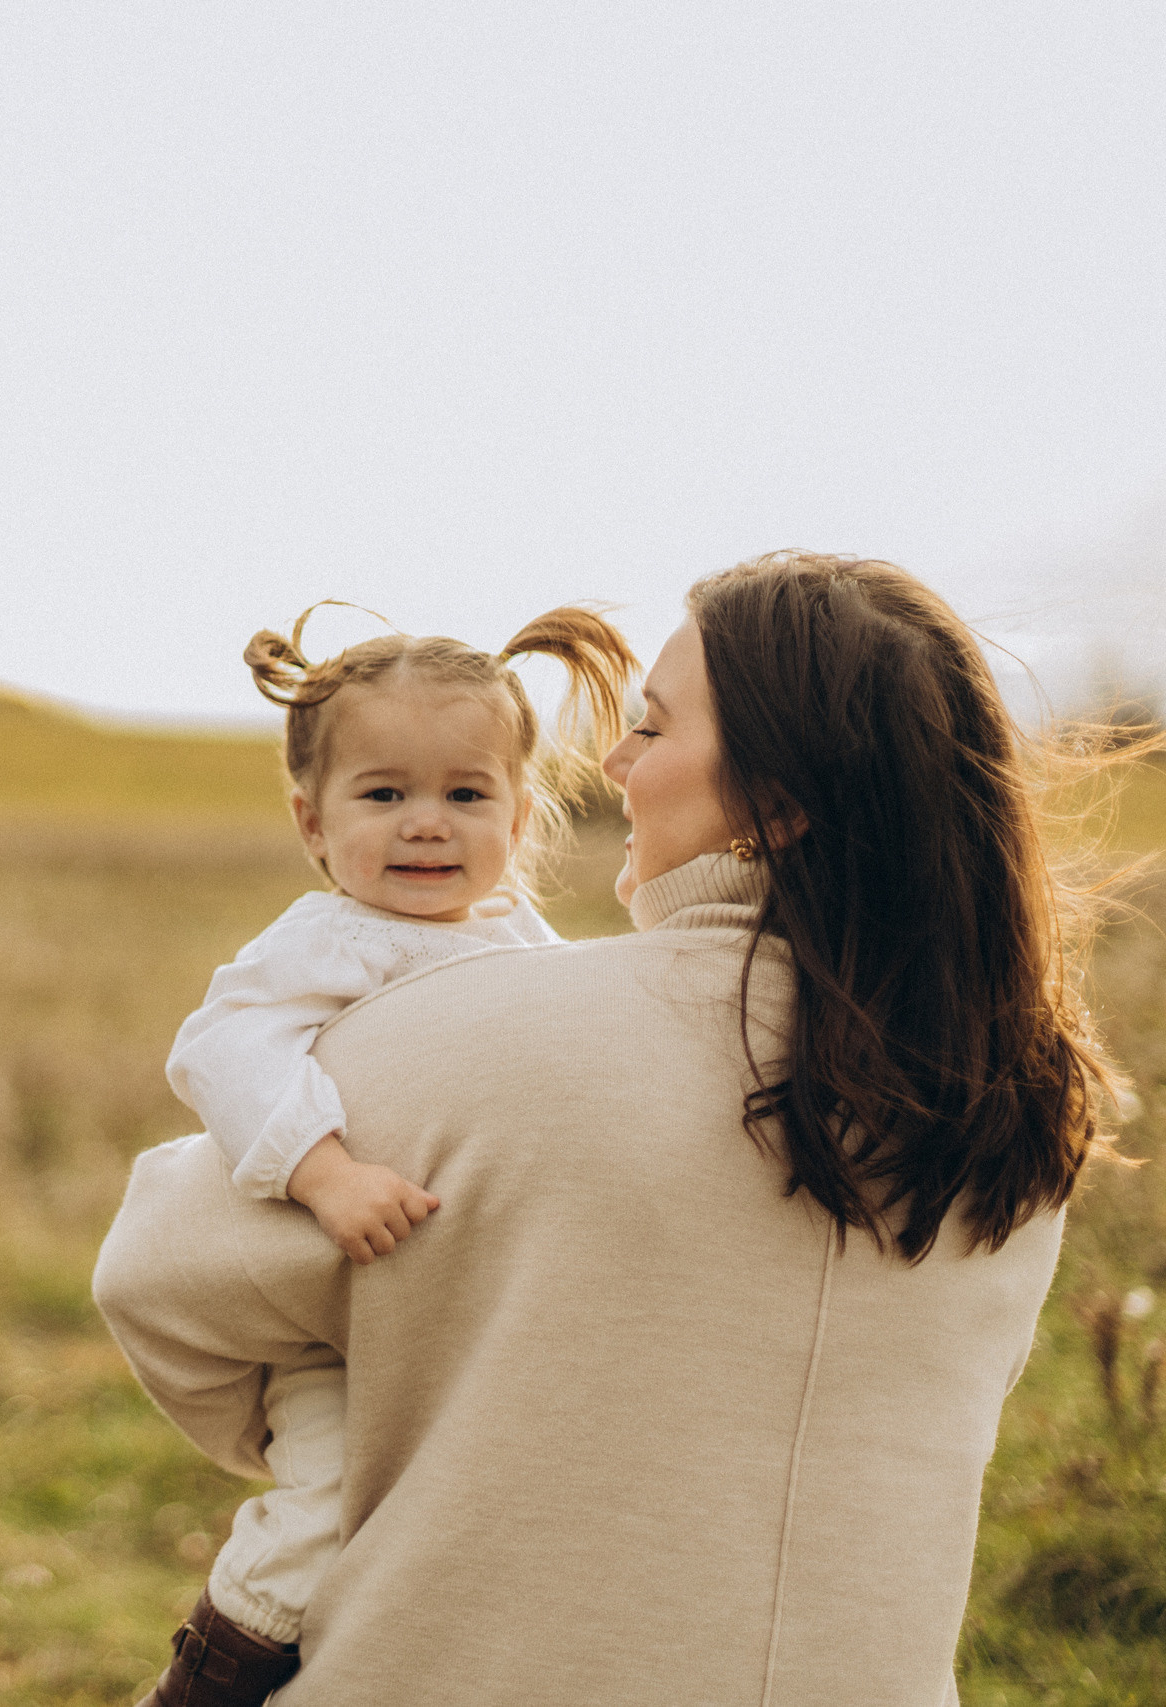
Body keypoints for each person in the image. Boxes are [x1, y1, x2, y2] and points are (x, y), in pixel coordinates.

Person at [96, 553, 1112, 1707]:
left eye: (653, 728)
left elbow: (153, 1273)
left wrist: (383, 1423)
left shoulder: (470, 1037)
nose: (615, 762)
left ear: (776, 802)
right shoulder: (1011, 1105)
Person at [142, 602, 639, 1705]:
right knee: (321, 1513)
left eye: (466, 795)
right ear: (311, 822)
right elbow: (222, 1048)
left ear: (521, 815)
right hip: (336, 1324)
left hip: (462, 1307)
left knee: (456, 1527)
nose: (427, 825)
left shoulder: (524, 946)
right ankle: (213, 1679)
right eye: (383, 795)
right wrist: (324, 1172)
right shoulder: (328, 942)